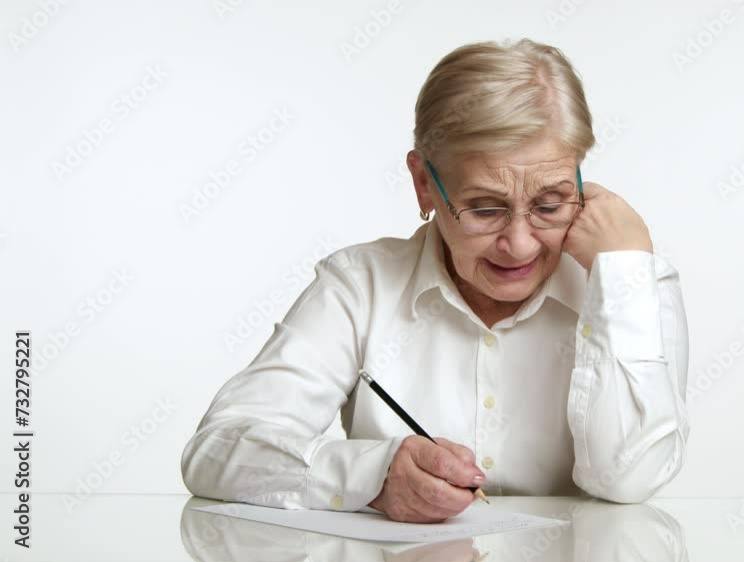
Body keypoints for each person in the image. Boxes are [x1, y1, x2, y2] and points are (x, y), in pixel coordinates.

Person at [180, 37, 690, 524]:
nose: (521, 243)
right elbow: (218, 450)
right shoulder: (361, 285)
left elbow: (630, 479)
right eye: (485, 208)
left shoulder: (632, 285)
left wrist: (624, 275)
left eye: (550, 204)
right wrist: (371, 477)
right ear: (425, 184)